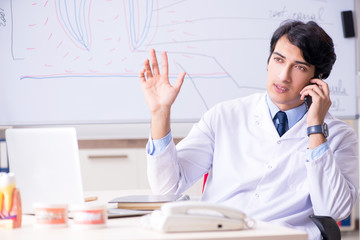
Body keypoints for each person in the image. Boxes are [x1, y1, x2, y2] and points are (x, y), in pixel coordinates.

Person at [139, 20, 358, 240]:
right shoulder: (224, 115)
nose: (283, 76)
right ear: (268, 61)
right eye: (278, 60)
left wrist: (315, 129)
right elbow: (167, 188)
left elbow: (334, 211)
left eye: (299, 67)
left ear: (317, 78)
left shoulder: (339, 135)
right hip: (219, 235)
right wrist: (160, 113)